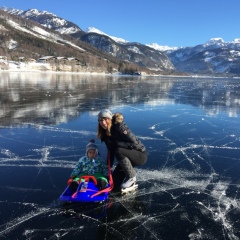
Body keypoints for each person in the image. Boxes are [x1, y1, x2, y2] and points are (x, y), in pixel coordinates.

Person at [97, 109, 147, 191]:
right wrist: (107, 169)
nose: (103, 122)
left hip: (139, 155)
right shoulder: (105, 133)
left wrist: (118, 144)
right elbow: (111, 152)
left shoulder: (119, 127)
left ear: (110, 118)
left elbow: (135, 144)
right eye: (101, 120)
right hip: (126, 158)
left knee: (119, 150)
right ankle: (125, 180)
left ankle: (131, 178)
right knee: (114, 181)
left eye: (106, 119)